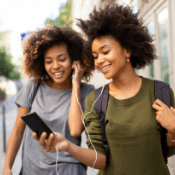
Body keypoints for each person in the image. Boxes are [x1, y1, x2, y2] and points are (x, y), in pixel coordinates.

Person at [32, 4, 175, 175]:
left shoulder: (160, 91)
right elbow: (100, 160)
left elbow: (166, 151)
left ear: (127, 50)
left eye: (105, 51)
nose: (100, 61)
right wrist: (68, 146)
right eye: (95, 56)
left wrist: (173, 130)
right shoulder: (96, 100)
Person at [3, 25, 95, 175]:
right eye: (48, 61)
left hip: (69, 170)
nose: (56, 66)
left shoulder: (86, 92)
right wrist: (7, 168)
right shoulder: (33, 87)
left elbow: (76, 129)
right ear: (41, 63)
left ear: (74, 59)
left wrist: (76, 84)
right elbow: (17, 132)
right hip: (32, 171)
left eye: (62, 59)